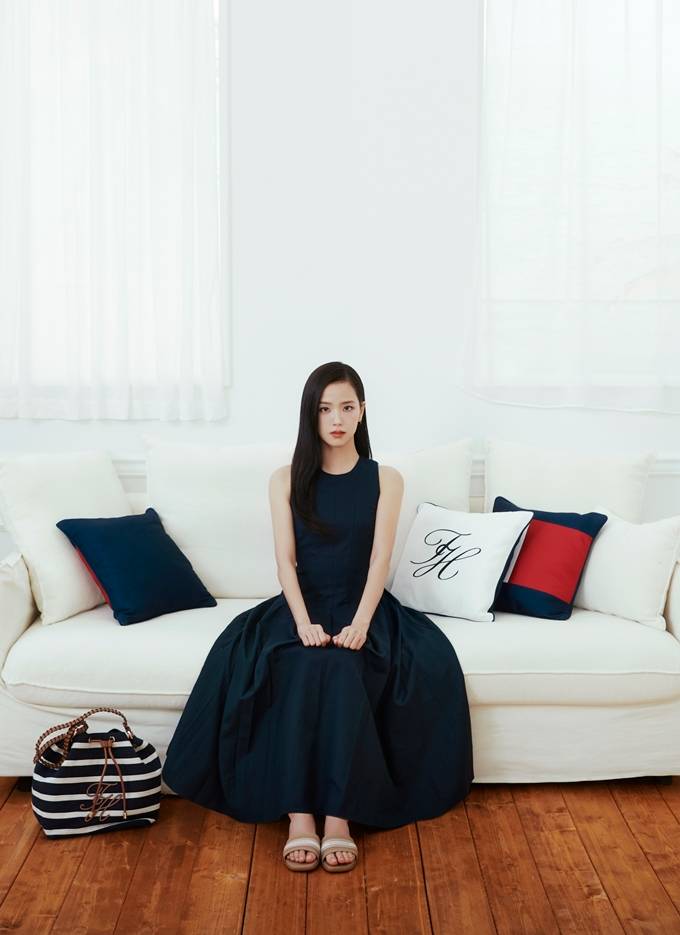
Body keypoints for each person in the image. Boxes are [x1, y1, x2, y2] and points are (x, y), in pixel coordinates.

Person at [161, 361, 474, 874]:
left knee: (347, 668)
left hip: (363, 604)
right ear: (311, 414)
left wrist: (362, 623)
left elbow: (380, 559)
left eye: (347, 407)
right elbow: (285, 561)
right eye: (326, 408)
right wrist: (303, 622)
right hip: (300, 605)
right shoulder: (284, 479)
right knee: (298, 664)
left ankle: (339, 818)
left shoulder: (386, 478)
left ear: (362, 412)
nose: (337, 419)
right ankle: (299, 815)